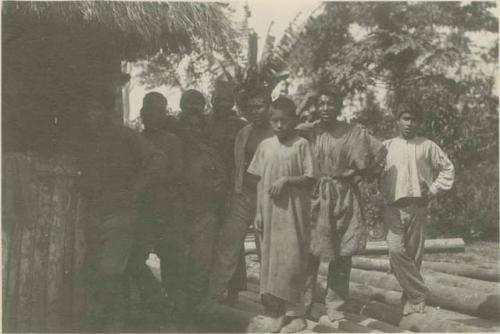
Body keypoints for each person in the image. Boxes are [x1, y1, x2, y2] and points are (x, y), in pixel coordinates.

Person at [297, 89, 387, 322]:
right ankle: (302, 304)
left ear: (339, 107)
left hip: (344, 196)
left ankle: (335, 309)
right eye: (321, 103)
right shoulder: (310, 130)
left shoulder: (354, 133)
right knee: (308, 252)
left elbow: (379, 152)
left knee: (341, 254)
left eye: (331, 103)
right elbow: (285, 126)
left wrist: (358, 174)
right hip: (315, 196)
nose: (326, 108)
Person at [80, 97, 167, 331]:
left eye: (96, 108)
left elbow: (158, 161)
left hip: (120, 213)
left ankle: (116, 324)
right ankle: (112, 321)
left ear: (107, 111)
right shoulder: (84, 139)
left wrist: (136, 190)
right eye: (88, 109)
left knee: (111, 270)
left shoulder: (127, 136)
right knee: (100, 271)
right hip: (94, 213)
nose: (91, 114)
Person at [247, 97, 318, 333]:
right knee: (271, 259)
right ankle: (275, 310)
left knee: (292, 259)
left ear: (293, 121)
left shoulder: (301, 145)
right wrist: (258, 211)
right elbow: (258, 180)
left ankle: (295, 313)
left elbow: (311, 177)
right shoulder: (265, 146)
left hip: (293, 213)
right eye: (274, 121)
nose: (279, 125)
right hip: (269, 212)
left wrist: (287, 180)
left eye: (284, 121)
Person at [199, 87, 274, 310]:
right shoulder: (244, 132)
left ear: (269, 106)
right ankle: (213, 297)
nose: (255, 111)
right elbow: (236, 165)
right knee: (227, 245)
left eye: (260, 106)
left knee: (267, 250)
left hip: (269, 198)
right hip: (244, 194)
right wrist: (235, 191)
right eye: (250, 107)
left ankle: (271, 302)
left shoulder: (278, 131)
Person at [379, 105, 455, 315]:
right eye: (405, 118)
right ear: (397, 120)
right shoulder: (386, 146)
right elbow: (372, 170)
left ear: (419, 123)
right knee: (395, 252)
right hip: (393, 206)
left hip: (418, 206)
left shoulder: (427, 146)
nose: (409, 123)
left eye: (414, 119)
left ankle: (411, 300)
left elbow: (448, 168)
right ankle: (419, 293)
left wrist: (434, 189)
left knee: (413, 256)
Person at [138, 92, 188, 321]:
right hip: (143, 209)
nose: (155, 115)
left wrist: (151, 179)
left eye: (160, 111)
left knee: (173, 262)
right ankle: (157, 301)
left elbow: (178, 173)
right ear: (142, 113)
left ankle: (176, 312)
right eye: (150, 110)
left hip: (169, 208)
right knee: (134, 259)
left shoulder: (172, 140)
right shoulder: (136, 139)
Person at [178, 110, 228, 315]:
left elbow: (222, 184)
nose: (192, 130)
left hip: (204, 214)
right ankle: (179, 308)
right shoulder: (174, 151)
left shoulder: (210, 154)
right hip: (178, 214)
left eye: (197, 126)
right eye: (188, 125)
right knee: (178, 262)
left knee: (200, 263)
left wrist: (204, 187)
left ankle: (195, 312)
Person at [205, 81, 248, 305]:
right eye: (218, 99)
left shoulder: (241, 126)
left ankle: (234, 290)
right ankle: (211, 289)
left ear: (232, 103)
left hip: (232, 188)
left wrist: (236, 188)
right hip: (208, 188)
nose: (222, 104)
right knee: (209, 238)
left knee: (233, 239)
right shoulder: (205, 123)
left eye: (226, 100)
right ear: (212, 101)